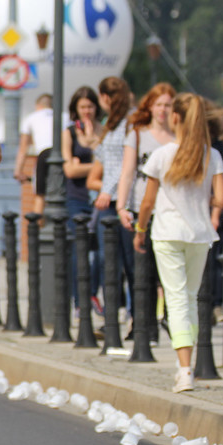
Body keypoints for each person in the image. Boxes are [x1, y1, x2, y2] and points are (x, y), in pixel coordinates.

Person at [134, 93, 223, 393]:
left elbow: (147, 201)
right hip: (200, 233)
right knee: (190, 297)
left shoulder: (162, 155)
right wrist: (204, 200)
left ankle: (184, 369)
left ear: (175, 117)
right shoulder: (210, 155)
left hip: (167, 231)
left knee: (174, 299)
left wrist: (139, 229)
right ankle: (185, 367)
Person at [117, 83, 177, 343]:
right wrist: (121, 205)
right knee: (141, 271)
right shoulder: (138, 134)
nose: (163, 110)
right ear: (150, 106)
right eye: (159, 104)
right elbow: (128, 172)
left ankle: (172, 323)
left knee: (168, 273)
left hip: (171, 209)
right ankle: (145, 326)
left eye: (168, 105)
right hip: (142, 209)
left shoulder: (178, 135)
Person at [88, 77, 135, 318]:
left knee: (129, 261)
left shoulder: (130, 123)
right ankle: (112, 314)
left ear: (105, 98)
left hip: (122, 200)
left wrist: (107, 190)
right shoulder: (113, 124)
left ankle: (134, 314)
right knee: (109, 260)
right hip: (109, 200)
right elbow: (107, 161)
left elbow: (125, 167)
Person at [63, 86, 101, 314]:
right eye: (83, 107)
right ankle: (80, 301)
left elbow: (111, 165)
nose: (87, 111)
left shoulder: (103, 131)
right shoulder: (69, 132)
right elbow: (69, 171)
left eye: (90, 106)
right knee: (80, 249)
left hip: (99, 198)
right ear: (76, 109)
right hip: (76, 198)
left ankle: (93, 293)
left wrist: (83, 164)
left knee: (100, 252)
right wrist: (96, 166)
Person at [14, 94, 54, 214]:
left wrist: (18, 171)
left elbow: (23, 148)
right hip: (62, 154)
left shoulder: (31, 118)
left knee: (40, 196)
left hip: (43, 155)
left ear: (38, 106)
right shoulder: (64, 116)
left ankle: (38, 229)